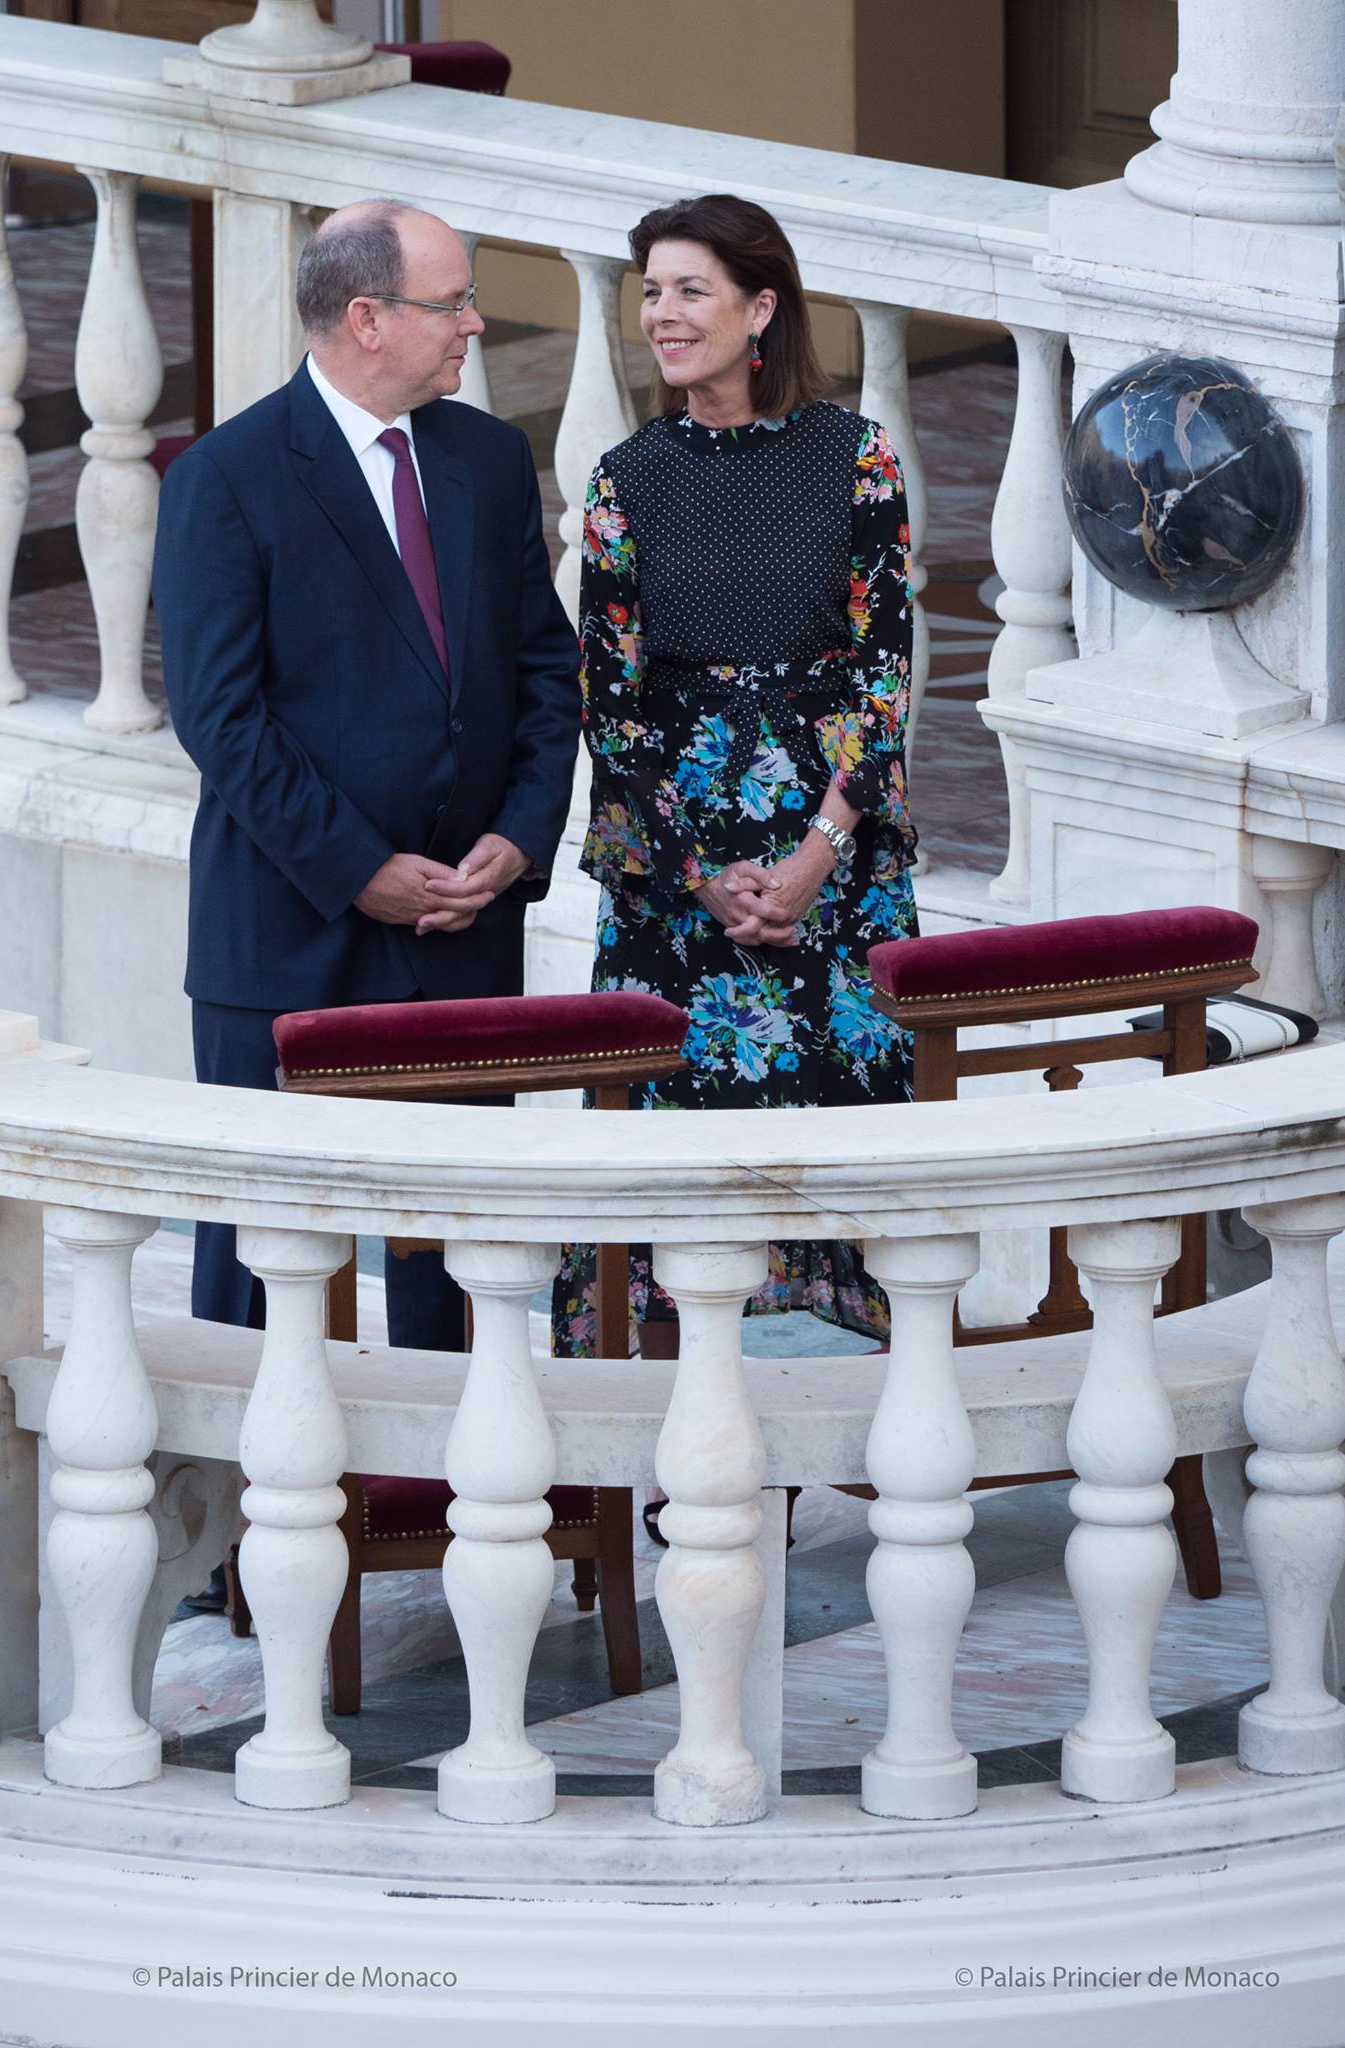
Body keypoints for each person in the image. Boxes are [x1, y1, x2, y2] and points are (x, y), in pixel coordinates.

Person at [154, 198, 580, 1354]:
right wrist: (360, 869)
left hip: (466, 929)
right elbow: (220, 716)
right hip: (289, 934)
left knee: (458, 1255)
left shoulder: (487, 459)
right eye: (452, 304)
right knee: (266, 1262)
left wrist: (523, 836)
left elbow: (547, 669)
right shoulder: (227, 477)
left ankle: (456, 1509)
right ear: (366, 318)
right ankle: (257, 1528)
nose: (477, 326)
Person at [551, 192, 917, 1368]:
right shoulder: (623, 480)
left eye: (688, 289)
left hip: (834, 866)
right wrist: (704, 876)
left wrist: (816, 853)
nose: (661, 312)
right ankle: (683, 1445)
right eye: (650, 290)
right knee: (677, 1162)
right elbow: (610, 702)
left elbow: (887, 673)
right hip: (679, 879)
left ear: (761, 308)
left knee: (838, 1150)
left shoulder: (855, 459)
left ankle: (826, 1438)